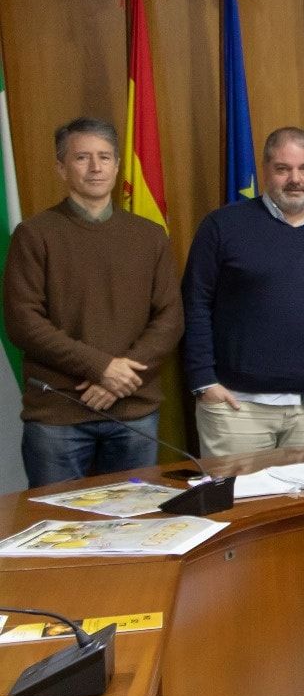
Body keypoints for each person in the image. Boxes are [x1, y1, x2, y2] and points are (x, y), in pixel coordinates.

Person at [3, 117, 182, 486]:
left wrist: (116, 379)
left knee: (133, 528)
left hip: (133, 412)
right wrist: (101, 367)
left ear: (118, 165)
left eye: (105, 157)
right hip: (59, 417)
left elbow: (169, 318)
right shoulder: (34, 235)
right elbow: (23, 322)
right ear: (60, 167)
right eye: (82, 157)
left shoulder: (149, 236)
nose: (96, 167)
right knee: (59, 531)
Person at [182, 127, 304, 457]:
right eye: (283, 169)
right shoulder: (221, 226)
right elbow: (195, 303)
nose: (294, 179)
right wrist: (204, 381)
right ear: (266, 170)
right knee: (239, 507)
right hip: (236, 408)